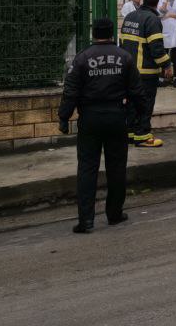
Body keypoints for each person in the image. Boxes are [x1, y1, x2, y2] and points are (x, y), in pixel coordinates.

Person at [59, 18, 147, 232]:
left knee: (87, 168)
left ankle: (86, 220)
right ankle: (115, 213)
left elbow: (70, 91)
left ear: (94, 33)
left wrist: (64, 117)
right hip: (117, 117)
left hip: (90, 118)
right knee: (117, 167)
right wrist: (141, 118)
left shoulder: (82, 58)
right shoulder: (124, 57)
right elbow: (137, 91)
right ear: (111, 33)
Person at [119, 0, 172, 147]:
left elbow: (122, 43)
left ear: (143, 0)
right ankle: (142, 136)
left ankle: (130, 134)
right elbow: (156, 48)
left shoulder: (130, 17)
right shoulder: (152, 19)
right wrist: (167, 64)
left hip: (128, 72)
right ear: (156, 3)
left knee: (130, 104)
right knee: (145, 104)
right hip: (145, 73)